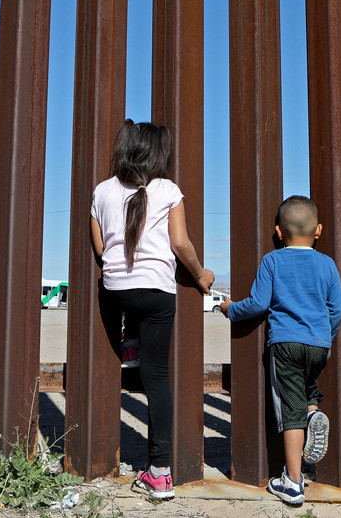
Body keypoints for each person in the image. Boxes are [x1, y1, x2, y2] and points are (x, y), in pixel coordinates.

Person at [90, 120, 214, 499]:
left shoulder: (102, 190)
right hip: (158, 292)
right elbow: (180, 244)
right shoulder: (168, 190)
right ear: (160, 153)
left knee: (117, 293)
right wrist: (201, 274)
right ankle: (160, 472)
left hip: (115, 291)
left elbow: (100, 251)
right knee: (157, 379)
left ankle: (129, 341)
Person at [220, 195, 341, 506]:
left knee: (290, 410)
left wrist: (231, 309)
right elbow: (338, 309)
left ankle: (292, 481)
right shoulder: (327, 264)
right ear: (318, 230)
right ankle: (313, 413)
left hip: (285, 344)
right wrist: (323, 336)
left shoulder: (273, 261)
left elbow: (259, 304)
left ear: (278, 231)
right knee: (305, 389)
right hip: (319, 345)